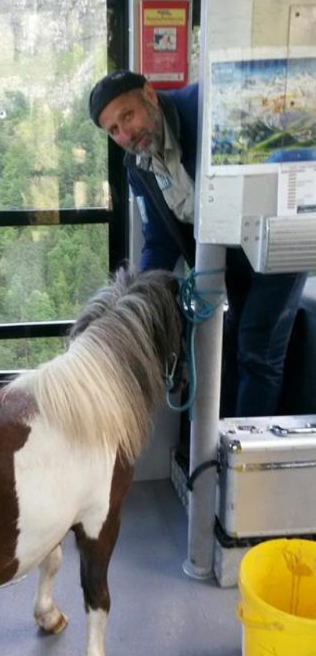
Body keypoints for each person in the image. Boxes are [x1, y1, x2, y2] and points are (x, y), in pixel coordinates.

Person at [88, 69, 307, 417]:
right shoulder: (138, 166)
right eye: (113, 130)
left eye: (127, 116)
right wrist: (138, 301)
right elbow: (160, 242)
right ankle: (223, 443)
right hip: (226, 251)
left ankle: (243, 460)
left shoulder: (208, 113)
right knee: (231, 341)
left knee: (258, 349)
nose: (125, 134)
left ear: (150, 94)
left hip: (276, 234)